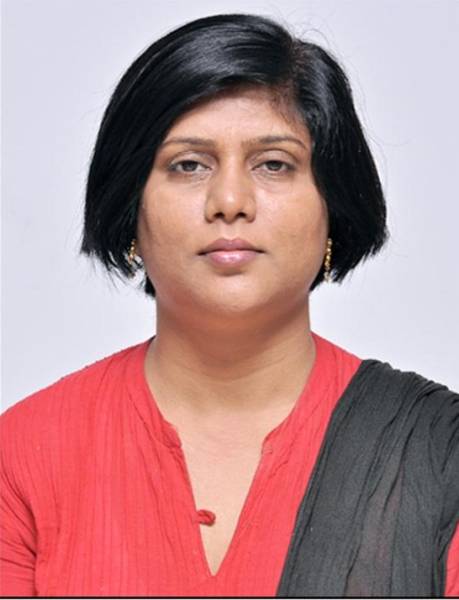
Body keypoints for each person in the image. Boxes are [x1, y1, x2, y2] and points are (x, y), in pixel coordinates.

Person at [1, 12, 457, 598]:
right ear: (129, 207)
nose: (231, 201)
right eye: (188, 165)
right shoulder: (26, 452)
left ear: (334, 205)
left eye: (274, 164)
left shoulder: (436, 449)